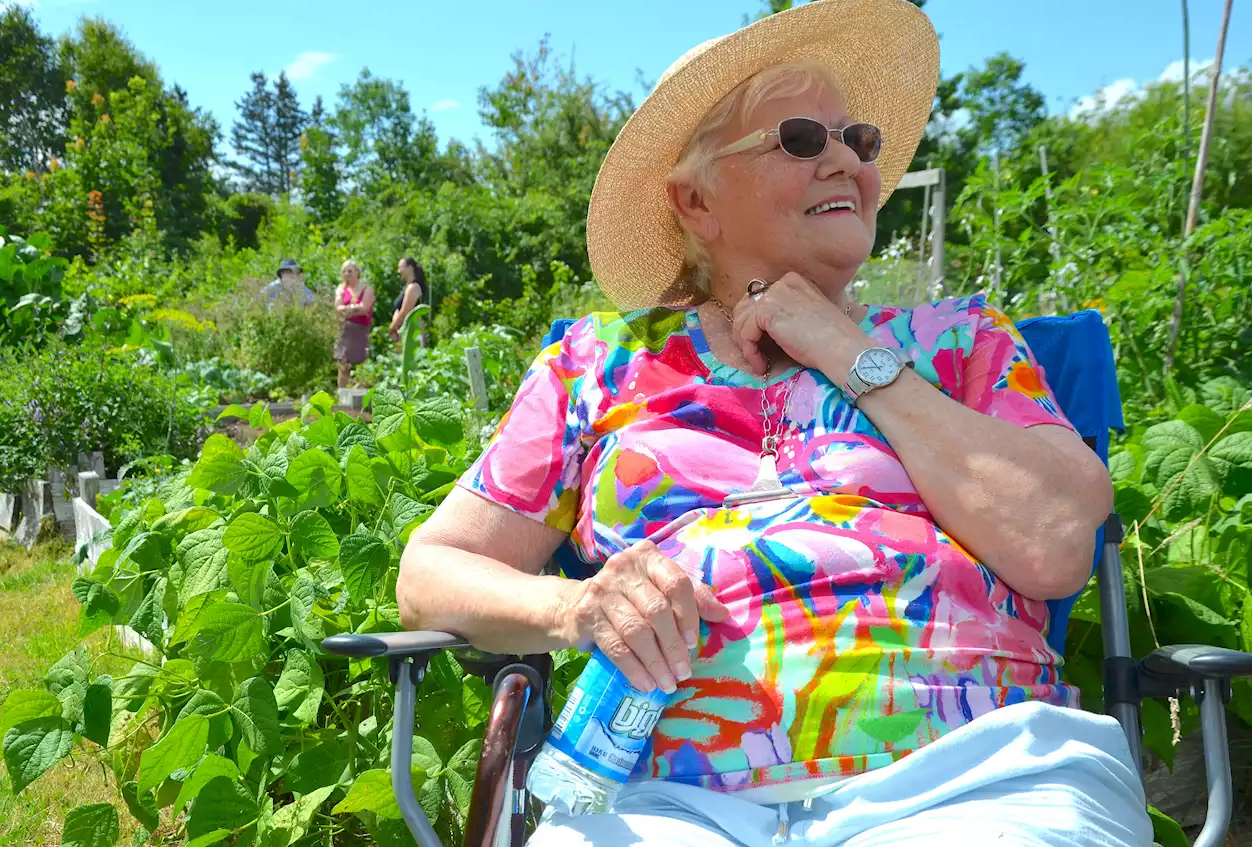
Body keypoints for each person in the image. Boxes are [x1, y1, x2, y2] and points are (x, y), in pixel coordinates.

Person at [397, 2, 1151, 845]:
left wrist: (843, 347)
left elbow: (1056, 542)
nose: (846, 162)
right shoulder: (596, 365)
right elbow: (432, 568)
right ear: (696, 200)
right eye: (801, 139)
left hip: (976, 776)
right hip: (661, 802)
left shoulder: (961, 343)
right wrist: (578, 607)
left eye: (857, 141)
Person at [333, 258, 374, 388]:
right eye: (344, 271)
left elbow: (364, 308)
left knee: (361, 361)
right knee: (343, 361)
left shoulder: (367, 289)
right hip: (344, 330)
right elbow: (338, 308)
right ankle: (342, 392)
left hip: (360, 329)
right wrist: (353, 308)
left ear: (357, 272)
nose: (346, 274)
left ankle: (361, 391)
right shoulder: (341, 288)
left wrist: (347, 309)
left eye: (349, 271)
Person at [387, 257, 430, 347]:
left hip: (412, 331)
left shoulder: (413, 287)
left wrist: (391, 328)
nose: (399, 271)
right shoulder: (408, 287)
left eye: (400, 267)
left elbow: (405, 312)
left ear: (410, 268)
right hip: (405, 331)